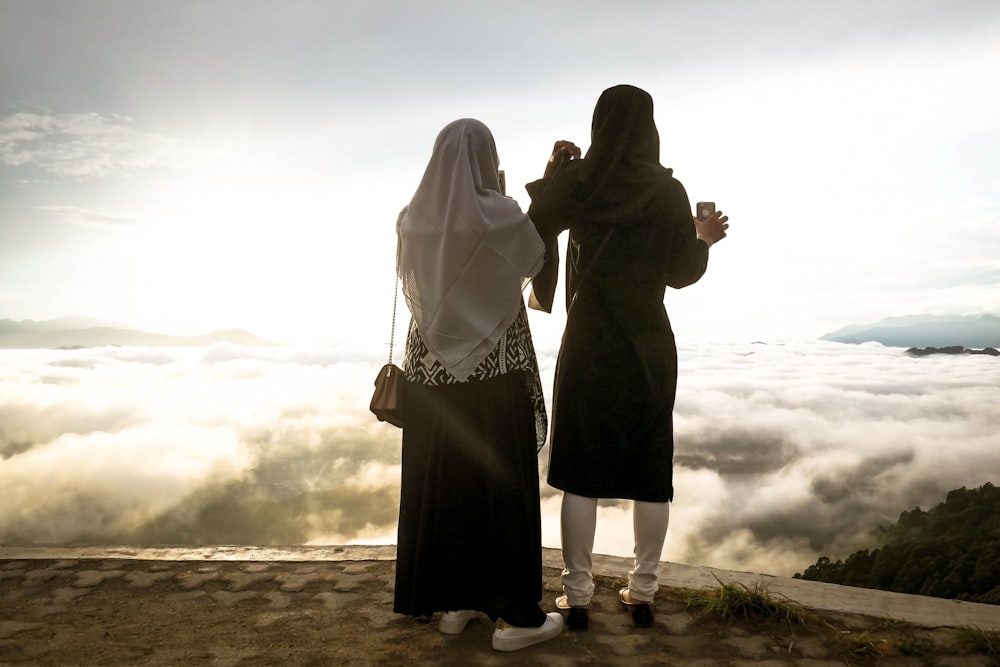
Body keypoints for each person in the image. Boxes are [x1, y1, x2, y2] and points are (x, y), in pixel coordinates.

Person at [524, 85, 729, 630]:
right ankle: (642, 592)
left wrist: (555, 170)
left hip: (589, 343)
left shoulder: (582, 183)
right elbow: (681, 273)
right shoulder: (669, 191)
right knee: (649, 470)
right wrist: (702, 237)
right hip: (646, 344)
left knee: (580, 475)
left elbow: (535, 224)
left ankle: (579, 596)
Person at [392, 118, 565, 652]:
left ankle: (455, 600)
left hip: (429, 379)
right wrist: (537, 185)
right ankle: (515, 618)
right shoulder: (501, 215)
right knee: (500, 493)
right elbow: (536, 259)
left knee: (446, 487)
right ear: (487, 160)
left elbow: (419, 282)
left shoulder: (411, 220)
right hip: (495, 375)